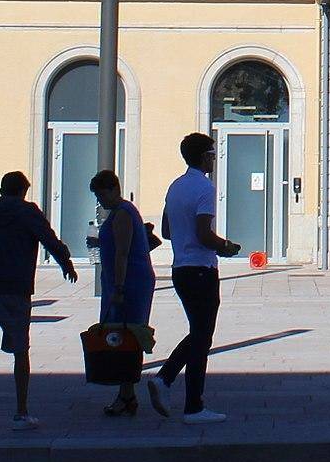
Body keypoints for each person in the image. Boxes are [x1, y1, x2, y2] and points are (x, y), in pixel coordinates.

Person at [0, 171, 78, 428]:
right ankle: (21, 411)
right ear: (23, 191)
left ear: (2, 188)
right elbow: (49, 240)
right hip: (16, 290)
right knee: (20, 351)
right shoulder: (28, 212)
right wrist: (66, 263)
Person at [155, 132, 241, 422]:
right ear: (204, 156)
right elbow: (205, 234)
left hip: (180, 268)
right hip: (202, 268)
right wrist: (226, 247)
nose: (214, 159)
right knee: (202, 335)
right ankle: (186, 399)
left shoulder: (175, 187)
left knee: (198, 332)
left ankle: (174, 386)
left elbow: (167, 231)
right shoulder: (205, 188)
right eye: (212, 154)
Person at [90, 169, 161, 417]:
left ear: (113, 190)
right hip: (126, 281)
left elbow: (122, 253)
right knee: (124, 336)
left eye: (101, 195)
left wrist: (118, 288)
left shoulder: (121, 214)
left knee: (125, 337)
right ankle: (126, 393)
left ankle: (125, 395)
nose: (100, 201)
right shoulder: (124, 211)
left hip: (128, 284)